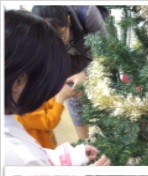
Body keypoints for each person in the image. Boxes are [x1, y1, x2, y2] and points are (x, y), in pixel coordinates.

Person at [4, 9, 109, 167]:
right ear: (19, 82)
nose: (47, 96)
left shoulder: (10, 120)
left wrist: (72, 156)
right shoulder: (21, 157)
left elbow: (41, 154)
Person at [31, 5, 108, 139]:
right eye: (51, 40)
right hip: (71, 70)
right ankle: (84, 144)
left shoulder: (87, 13)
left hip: (97, 61)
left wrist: (86, 74)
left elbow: (109, 53)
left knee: (108, 100)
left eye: (60, 35)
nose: (58, 44)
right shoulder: (37, 33)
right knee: (74, 98)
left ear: (68, 20)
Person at [15, 81, 75, 149]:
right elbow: (49, 121)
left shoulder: (27, 100)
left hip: (48, 143)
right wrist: (60, 99)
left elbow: (45, 106)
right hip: (41, 150)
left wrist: (57, 97)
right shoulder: (21, 114)